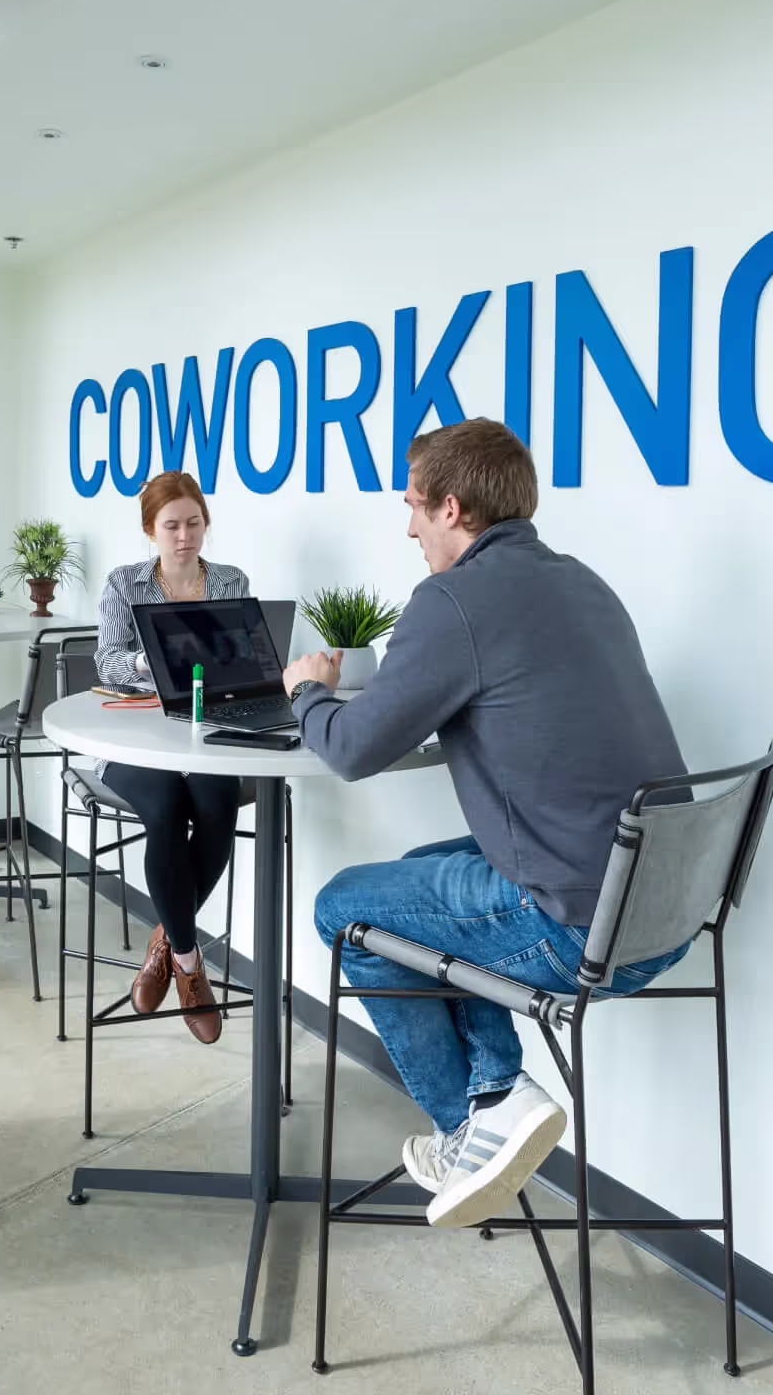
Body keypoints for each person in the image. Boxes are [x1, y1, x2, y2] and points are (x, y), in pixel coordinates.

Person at [283, 418, 690, 1229]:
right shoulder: (581, 580)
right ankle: (499, 1090)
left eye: (414, 509)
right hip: (662, 904)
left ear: (454, 508)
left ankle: (468, 1123)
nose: (408, 527)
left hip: (578, 927)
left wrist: (307, 692)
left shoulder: (455, 598)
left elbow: (356, 749)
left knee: (346, 908)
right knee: (416, 878)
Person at [94, 470, 248, 1044]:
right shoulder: (125, 584)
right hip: (131, 739)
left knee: (217, 799)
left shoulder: (230, 580)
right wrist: (148, 661)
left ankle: (163, 939)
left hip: (206, 731)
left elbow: (245, 657)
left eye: (194, 523)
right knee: (166, 810)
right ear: (150, 530)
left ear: (205, 523)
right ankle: (188, 964)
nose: (184, 536)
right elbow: (105, 662)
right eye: (171, 526)